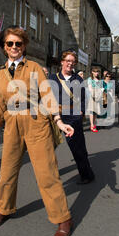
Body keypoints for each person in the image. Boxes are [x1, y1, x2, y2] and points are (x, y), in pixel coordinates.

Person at [0, 26, 75, 236]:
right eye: (10, 44)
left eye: (18, 43)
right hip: (12, 126)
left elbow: (48, 97)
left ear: (24, 46)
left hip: (37, 123)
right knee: (6, 173)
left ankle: (63, 218)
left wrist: (59, 122)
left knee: (47, 174)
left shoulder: (34, 67)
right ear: (4, 47)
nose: (14, 47)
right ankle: (4, 209)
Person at [49, 50, 95, 184]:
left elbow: (83, 99)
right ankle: (48, 175)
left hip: (73, 117)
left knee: (78, 148)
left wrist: (80, 112)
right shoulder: (52, 78)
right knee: (48, 147)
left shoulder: (78, 79)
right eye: (68, 61)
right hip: (55, 116)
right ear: (62, 62)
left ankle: (87, 175)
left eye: (73, 62)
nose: (70, 64)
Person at [87, 66, 104, 133]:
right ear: (92, 72)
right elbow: (90, 88)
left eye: (97, 72)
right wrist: (94, 94)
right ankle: (92, 125)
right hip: (93, 96)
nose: (96, 73)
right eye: (95, 72)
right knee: (92, 111)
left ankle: (94, 124)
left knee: (96, 111)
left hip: (99, 95)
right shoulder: (90, 79)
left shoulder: (99, 80)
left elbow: (101, 88)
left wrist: (100, 94)